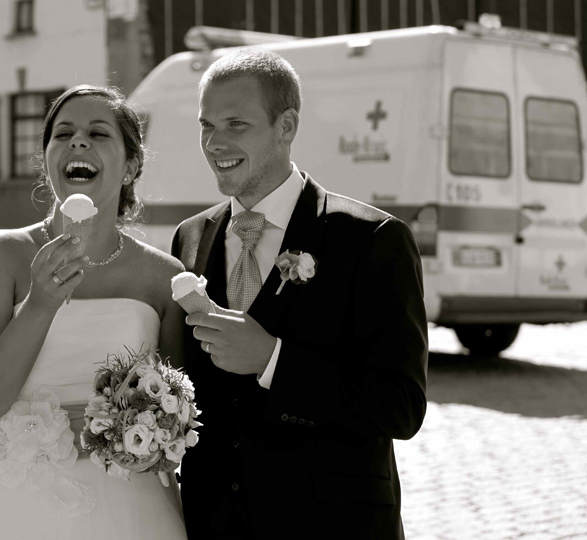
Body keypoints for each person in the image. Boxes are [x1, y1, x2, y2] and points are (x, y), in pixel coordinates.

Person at [171, 48, 428, 539]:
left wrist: (272, 360)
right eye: (206, 125)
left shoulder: (372, 239)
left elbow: (401, 405)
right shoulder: (190, 237)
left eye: (235, 124)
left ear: (286, 126)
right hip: (214, 524)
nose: (214, 142)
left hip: (331, 524)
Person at [0, 85, 187, 540]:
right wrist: (40, 304)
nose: (78, 141)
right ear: (47, 161)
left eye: (98, 133)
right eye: (63, 134)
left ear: (131, 165)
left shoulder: (162, 276)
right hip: (18, 512)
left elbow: (179, 414)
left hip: (135, 511)